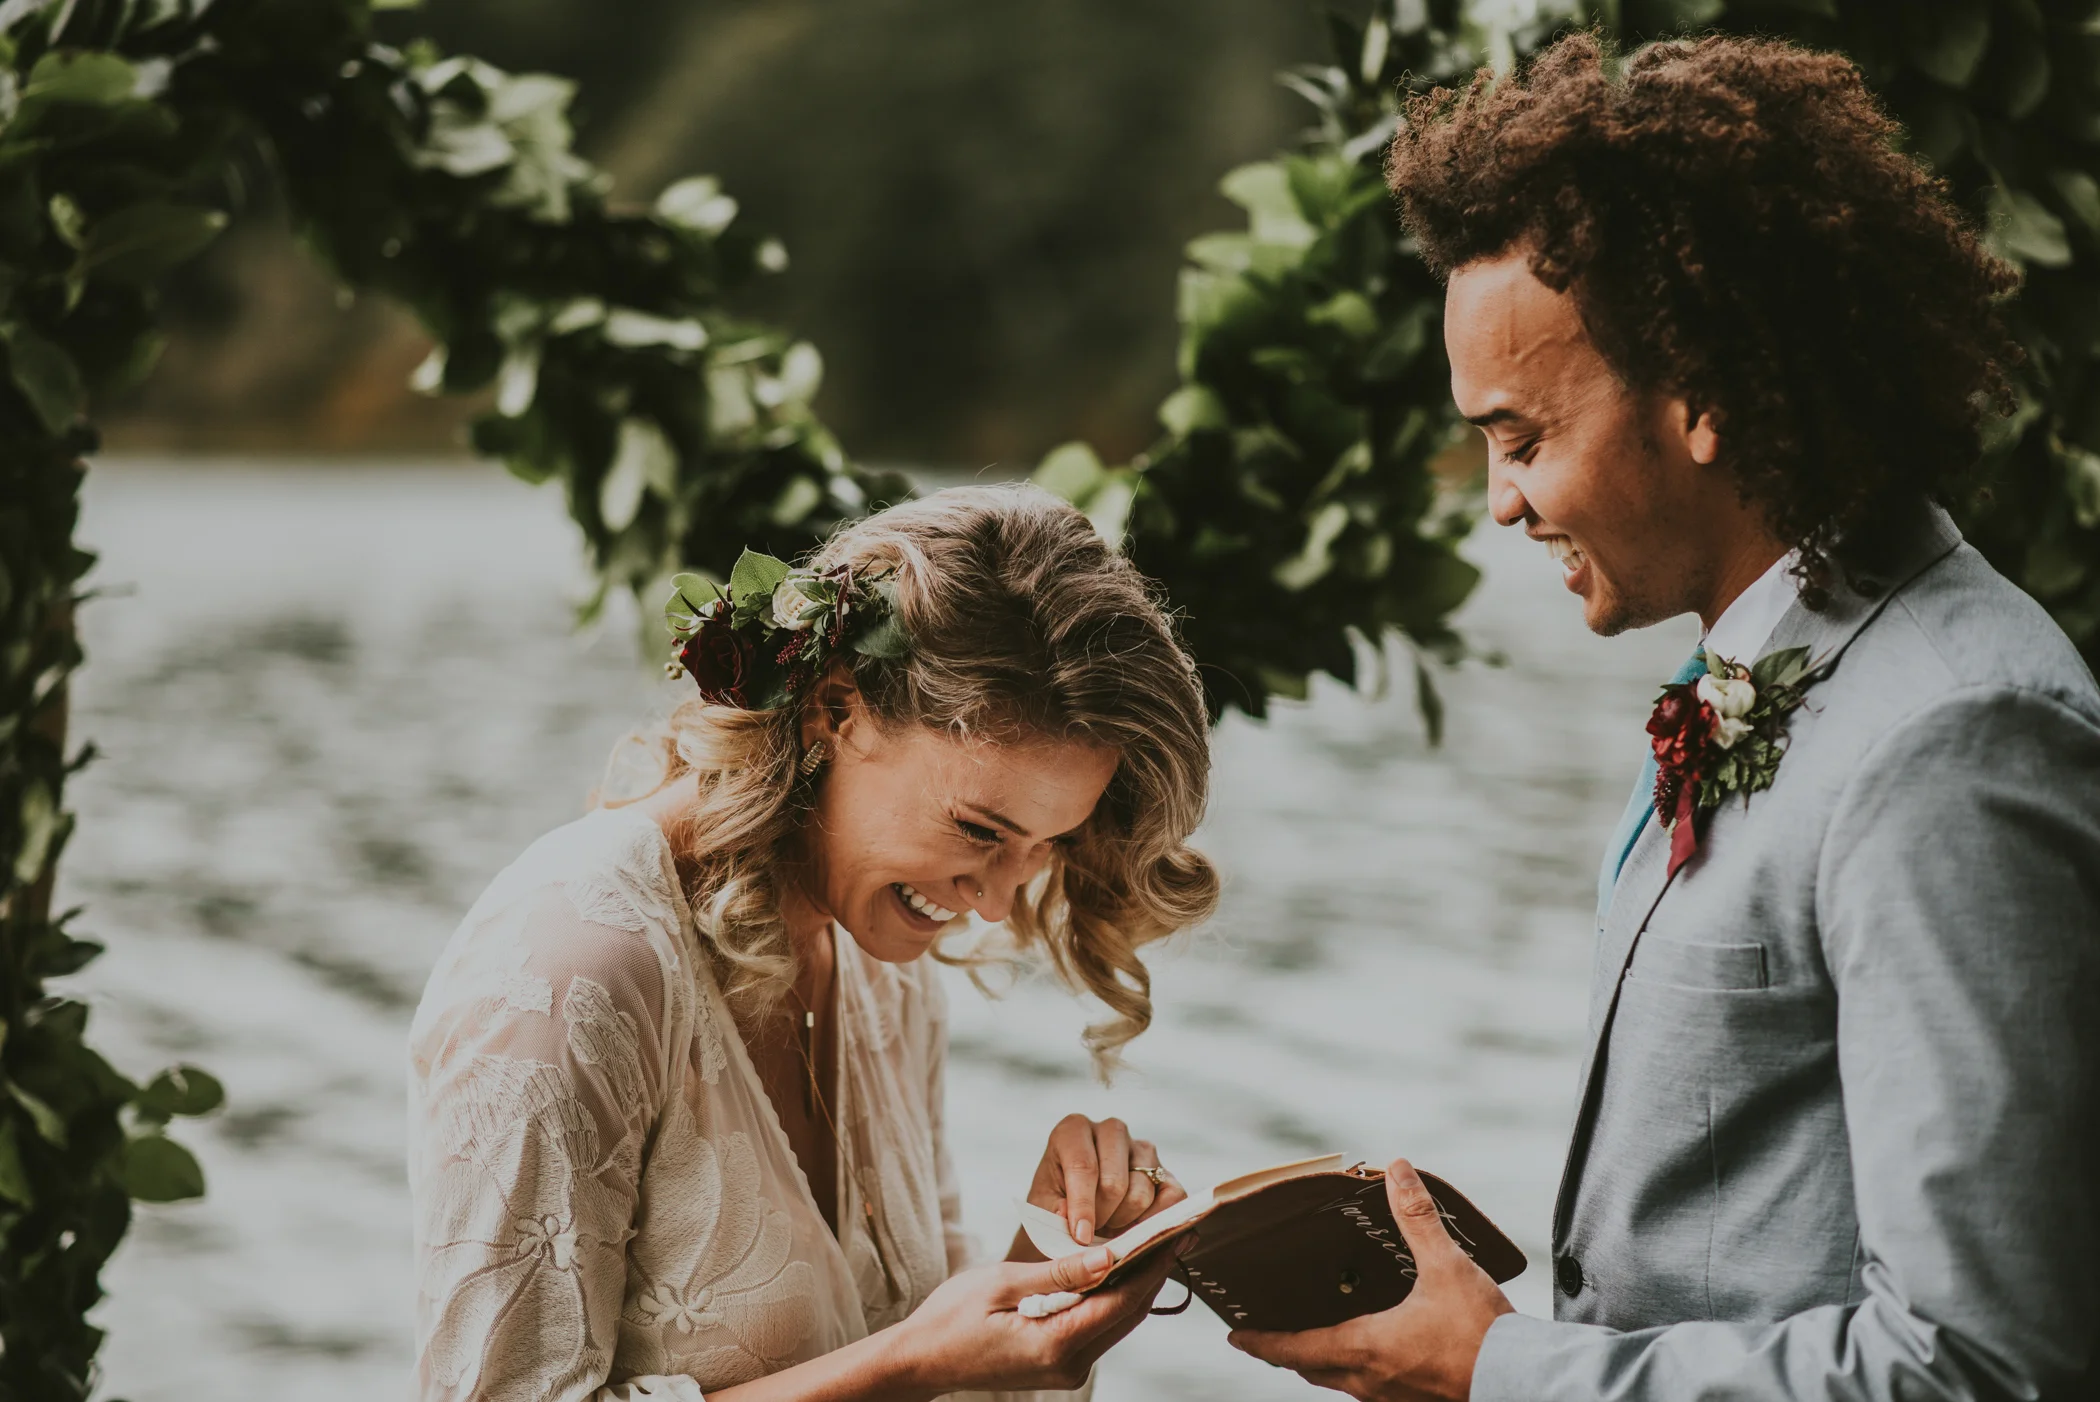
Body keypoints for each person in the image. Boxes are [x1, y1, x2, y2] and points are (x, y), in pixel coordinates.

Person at [1231, 32, 2100, 1402]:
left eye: (1522, 437)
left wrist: (1507, 1369)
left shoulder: (1955, 737)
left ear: (1695, 390)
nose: (1501, 500)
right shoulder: (1766, 664)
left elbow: (1984, 1365)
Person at [408, 484, 1219, 1400]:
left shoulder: (885, 968)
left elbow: (932, 1369)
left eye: (1049, 844)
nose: (995, 905)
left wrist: (1054, 1259)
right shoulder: (573, 970)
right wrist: (908, 1363)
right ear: (837, 709)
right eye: (980, 831)